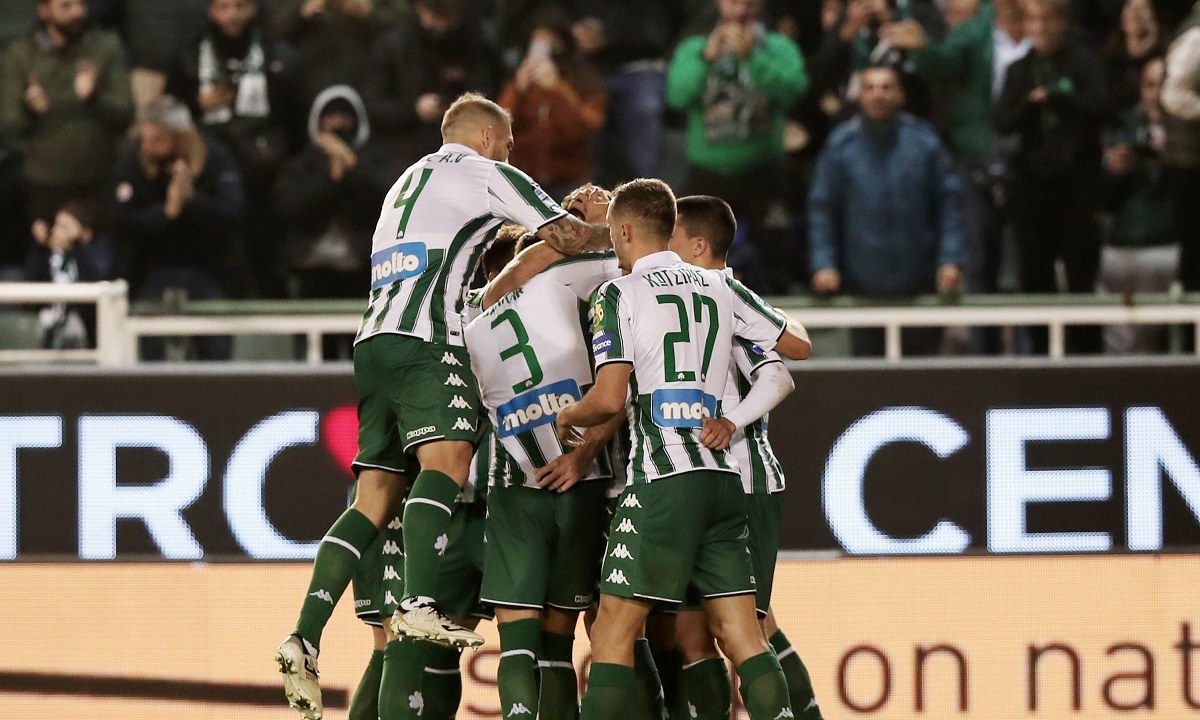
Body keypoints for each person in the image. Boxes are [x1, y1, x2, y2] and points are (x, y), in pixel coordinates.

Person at [275, 92, 612, 720]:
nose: (510, 155)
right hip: (427, 341)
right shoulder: (484, 171)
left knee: (373, 498)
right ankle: (418, 601)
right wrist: (627, 230)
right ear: (486, 138)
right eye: (508, 144)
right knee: (449, 461)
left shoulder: (404, 183)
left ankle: (304, 634)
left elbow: (480, 245)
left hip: (372, 342)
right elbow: (565, 236)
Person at [554, 178, 811, 720]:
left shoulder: (618, 294)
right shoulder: (720, 285)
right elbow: (795, 346)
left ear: (624, 231)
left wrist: (568, 415)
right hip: (723, 479)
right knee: (743, 636)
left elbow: (609, 398)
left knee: (612, 630)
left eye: (614, 235)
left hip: (663, 479)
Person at [666, 194, 823, 720]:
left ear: (697, 245)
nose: (662, 244)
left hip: (742, 477)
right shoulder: (681, 301)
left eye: (671, 235)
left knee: (751, 627)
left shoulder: (726, 301)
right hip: (692, 483)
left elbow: (780, 372)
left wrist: (731, 422)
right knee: (691, 634)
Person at [465, 208, 621, 720]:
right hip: (583, 479)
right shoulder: (567, 281)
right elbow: (631, 255)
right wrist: (594, 224)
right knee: (560, 643)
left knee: (516, 644)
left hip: (514, 483)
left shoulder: (465, 319)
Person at [808, 64, 964, 357]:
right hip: (862, 287)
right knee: (870, 377)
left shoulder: (925, 142)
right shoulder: (841, 146)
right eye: (870, 88)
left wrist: (950, 259)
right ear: (859, 96)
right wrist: (824, 264)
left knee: (922, 375)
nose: (878, 94)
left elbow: (950, 205)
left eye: (886, 87)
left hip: (920, 284)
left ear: (901, 95)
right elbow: (822, 211)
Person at [884, 0, 1030, 303]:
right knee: (977, 255)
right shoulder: (979, 29)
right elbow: (944, 63)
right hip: (978, 155)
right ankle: (981, 333)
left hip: (1033, 159)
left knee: (1028, 260)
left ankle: (1030, 333)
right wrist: (923, 48)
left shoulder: (1045, 26)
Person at [667, 0, 809, 293]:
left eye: (749, 2)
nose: (741, 9)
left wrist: (752, 58)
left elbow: (794, 90)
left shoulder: (778, 47)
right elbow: (677, 97)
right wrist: (706, 59)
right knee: (694, 255)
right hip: (708, 171)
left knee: (777, 254)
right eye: (733, 1)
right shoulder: (693, 49)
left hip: (763, 169)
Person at [994, 0, 1107, 354]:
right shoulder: (1018, 70)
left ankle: (1088, 359)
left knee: (1081, 276)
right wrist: (1031, 104)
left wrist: (1058, 98)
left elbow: (1101, 109)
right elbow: (1002, 121)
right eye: (1033, 19)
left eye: (1047, 19)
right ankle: (1040, 357)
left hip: (1078, 185)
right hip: (1033, 185)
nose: (1040, 27)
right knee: (1034, 276)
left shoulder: (1084, 63)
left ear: (1062, 22)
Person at [166, 0, 302, 296]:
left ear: (253, 8)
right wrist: (197, 104)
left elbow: (294, 116)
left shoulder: (277, 54)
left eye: (240, 6)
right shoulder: (190, 54)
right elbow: (168, 111)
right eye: (223, 7)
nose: (232, 15)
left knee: (265, 253)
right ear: (211, 10)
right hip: (209, 170)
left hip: (265, 172)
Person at [107, 94, 244, 361]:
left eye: (157, 140)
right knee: (147, 337)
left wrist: (193, 200)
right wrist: (165, 213)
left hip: (208, 268)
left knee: (216, 336)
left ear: (179, 137)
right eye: (144, 138)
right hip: (151, 269)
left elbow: (233, 213)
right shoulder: (132, 161)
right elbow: (119, 220)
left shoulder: (215, 157)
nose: (147, 147)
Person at [0, 0, 133, 223]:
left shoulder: (106, 47)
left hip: (100, 179)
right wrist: (30, 110)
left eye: (81, 4)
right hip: (45, 183)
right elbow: (9, 126)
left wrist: (94, 99)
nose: (77, 12)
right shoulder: (20, 55)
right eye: (66, 6)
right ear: (44, 11)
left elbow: (126, 116)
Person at [274, 85, 391, 304]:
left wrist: (352, 167)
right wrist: (332, 180)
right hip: (309, 269)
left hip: (364, 269)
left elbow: (388, 202)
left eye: (344, 118)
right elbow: (292, 209)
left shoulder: (375, 162)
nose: (337, 124)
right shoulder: (299, 166)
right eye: (330, 118)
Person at [365, 0, 499, 177]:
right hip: (400, 147)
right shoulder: (393, 44)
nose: (442, 24)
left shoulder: (473, 46)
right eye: (436, 13)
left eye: (448, 14)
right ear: (420, 7)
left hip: (458, 148)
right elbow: (375, 106)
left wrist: (457, 109)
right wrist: (414, 109)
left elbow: (487, 96)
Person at [1099, 56, 1176, 354]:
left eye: (1162, 86)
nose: (1155, 95)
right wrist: (1115, 171)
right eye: (1149, 86)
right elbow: (1100, 203)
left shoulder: (1189, 133)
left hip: (1168, 246)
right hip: (1120, 247)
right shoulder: (1121, 128)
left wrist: (1174, 158)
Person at [499, 6, 607, 202]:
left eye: (549, 40)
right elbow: (501, 125)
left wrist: (557, 89)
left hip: (569, 181)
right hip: (523, 181)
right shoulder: (519, 80)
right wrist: (517, 90)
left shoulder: (585, 81)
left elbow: (585, 127)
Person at [271, 0, 408, 104]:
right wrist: (302, 12)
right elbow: (274, 30)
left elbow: (405, 20)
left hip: (363, 84)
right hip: (309, 88)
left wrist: (369, 12)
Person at [1162, 0, 1200, 344]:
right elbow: (1173, 95)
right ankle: (1190, 343)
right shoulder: (1196, 36)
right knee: (1194, 258)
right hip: (1191, 165)